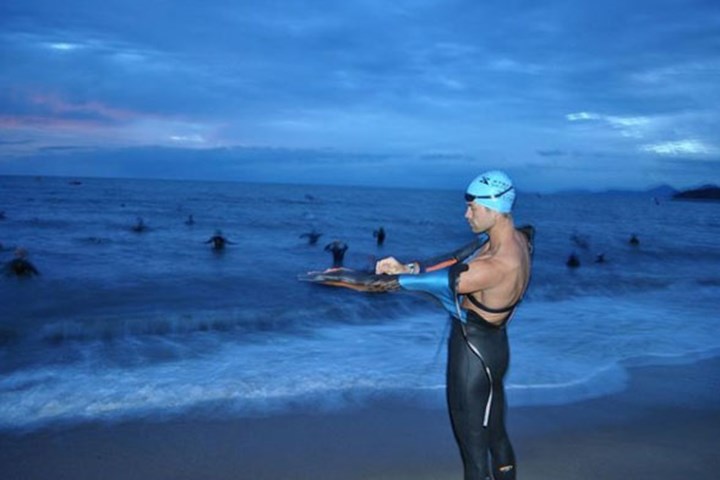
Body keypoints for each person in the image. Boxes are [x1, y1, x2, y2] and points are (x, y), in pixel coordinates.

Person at [375, 170, 531, 480]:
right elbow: (456, 258)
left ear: (495, 209)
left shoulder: (495, 265)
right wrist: (407, 266)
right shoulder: (520, 240)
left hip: (471, 360)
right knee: (497, 436)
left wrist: (345, 278)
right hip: (495, 350)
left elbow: (427, 283)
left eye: (473, 208)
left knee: (473, 455)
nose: (466, 214)